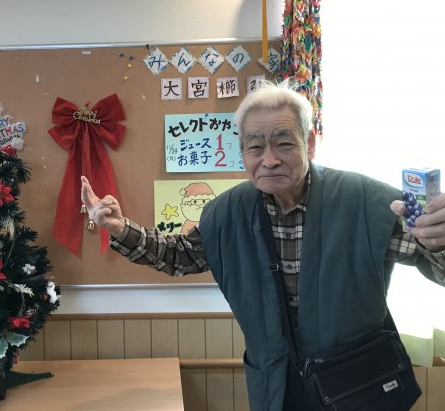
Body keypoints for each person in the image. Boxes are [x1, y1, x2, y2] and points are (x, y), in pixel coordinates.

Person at [80, 80, 445, 411]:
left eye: (284, 143)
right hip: (277, 383)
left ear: (310, 143)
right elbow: (181, 256)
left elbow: (435, 264)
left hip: (358, 381)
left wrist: (440, 241)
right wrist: (119, 228)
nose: (269, 160)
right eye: (255, 146)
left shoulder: (368, 202)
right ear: (242, 152)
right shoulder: (227, 212)